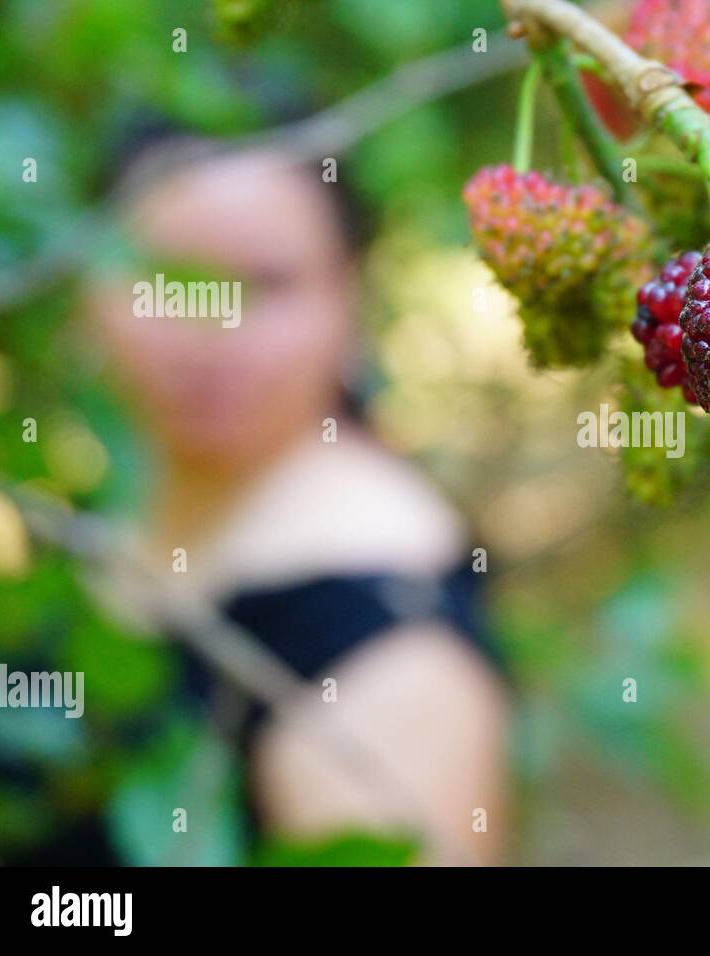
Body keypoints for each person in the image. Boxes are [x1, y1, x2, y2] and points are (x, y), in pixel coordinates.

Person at [74, 137, 510, 866]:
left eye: (265, 283)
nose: (209, 327)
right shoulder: (98, 519)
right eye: (165, 280)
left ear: (350, 296)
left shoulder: (386, 640)